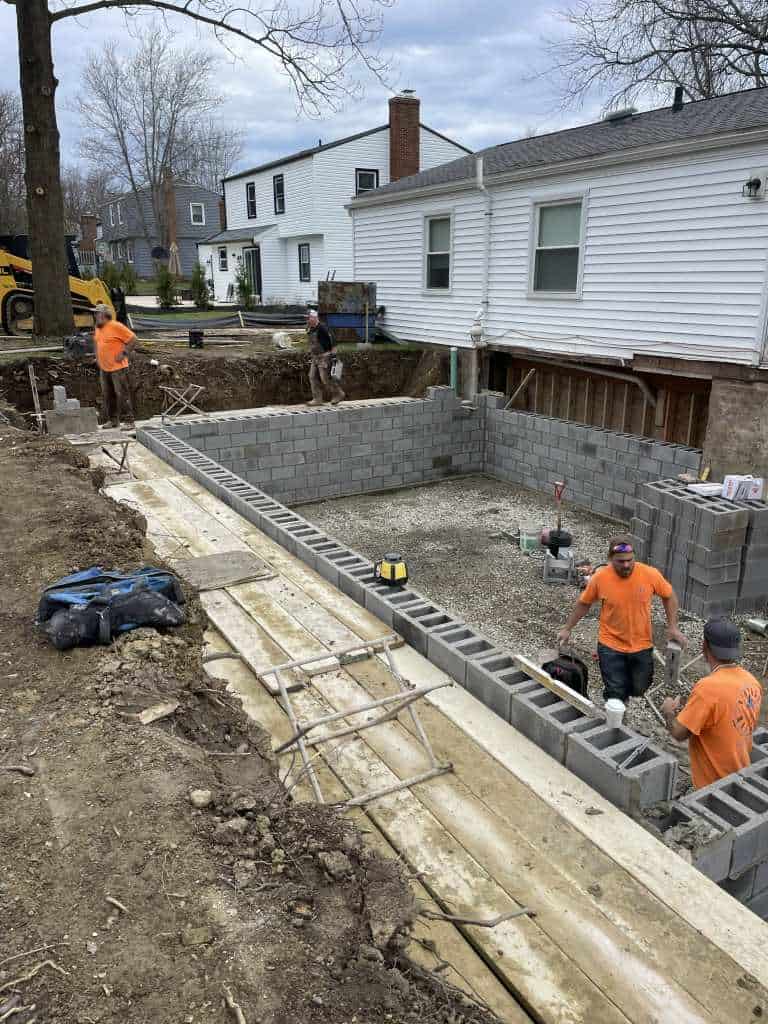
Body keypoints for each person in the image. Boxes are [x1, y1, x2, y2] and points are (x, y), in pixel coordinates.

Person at [558, 537, 686, 703]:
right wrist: (568, 628)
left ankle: (621, 697)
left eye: (629, 560)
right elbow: (584, 603)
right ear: (610, 559)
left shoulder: (649, 574)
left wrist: (673, 627)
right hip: (610, 645)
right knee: (616, 690)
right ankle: (616, 709)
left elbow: (669, 596)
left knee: (641, 687)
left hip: (641, 645)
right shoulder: (600, 578)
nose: (626, 565)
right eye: (620, 561)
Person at [662, 618, 762, 789]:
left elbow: (678, 734)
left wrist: (668, 711)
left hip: (713, 788)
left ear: (704, 646)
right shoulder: (752, 682)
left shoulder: (708, 688)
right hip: (740, 777)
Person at [93, 303, 136, 428]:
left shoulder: (116, 326)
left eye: (97, 313)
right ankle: (113, 420)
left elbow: (133, 339)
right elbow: (97, 343)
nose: (95, 316)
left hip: (118, 368)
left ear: (105, 315)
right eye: (95, 313)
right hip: (104, 368)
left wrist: (124, 353)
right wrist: (97, 357)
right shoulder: (98, 328)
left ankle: (129, 421)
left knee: (122, 394)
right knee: (108, 395)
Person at [306, 309, 344, 407]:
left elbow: (334, 342)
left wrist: (334, 356)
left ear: (314, 318)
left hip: (324, 357)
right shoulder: (309, 328)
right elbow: (312, 342)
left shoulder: (323, 328)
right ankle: (317, 399)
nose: (307, 320)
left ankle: (338, 393)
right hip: (315, 357)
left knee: (325, 378)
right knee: (312, 376)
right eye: (307, 318)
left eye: (309, 318)